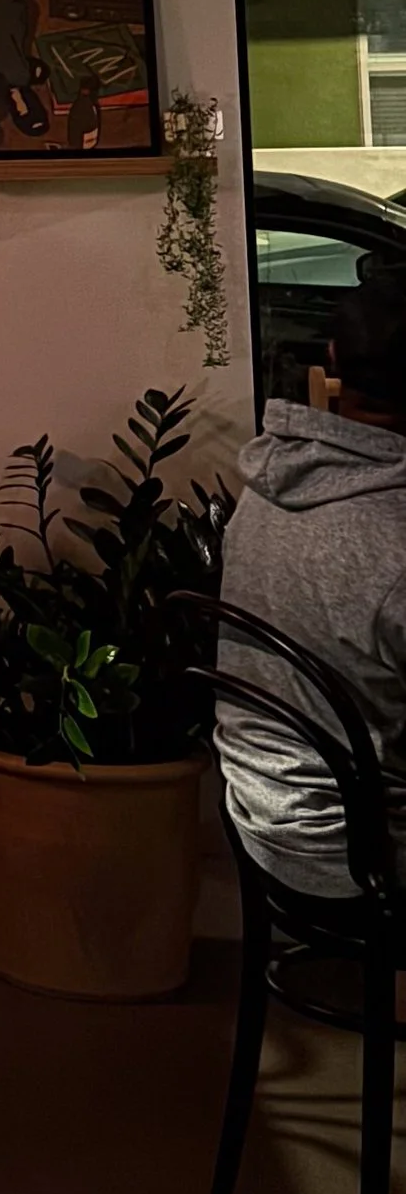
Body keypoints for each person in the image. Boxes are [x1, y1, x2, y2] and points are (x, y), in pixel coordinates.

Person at [219, 273, 406, 899]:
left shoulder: (269, 481)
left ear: (332, 359)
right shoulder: (394, 528)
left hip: (260, 814)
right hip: (366, 849)